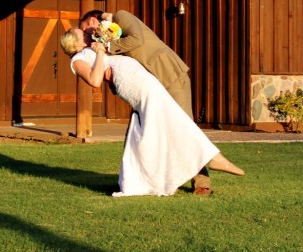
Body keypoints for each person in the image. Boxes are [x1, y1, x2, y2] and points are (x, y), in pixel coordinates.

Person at [60, 28, 244, 197]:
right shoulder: (77, 60)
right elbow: (95, 79)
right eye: (80, 33)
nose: (85, 33)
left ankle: (202, 160)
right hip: (136, 86)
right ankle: (211, 158)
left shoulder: (92, 47)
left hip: (143, 80)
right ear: (73, 43)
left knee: (163, 126)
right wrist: (100, 52)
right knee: (176, 121)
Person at [79, 9, 212, 193]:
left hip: (169, 76)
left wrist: (107, 47)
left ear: (94, 20)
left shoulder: (121, 17)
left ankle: (202, 183)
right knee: (135, 136)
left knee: (185, 127)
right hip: (146, 91)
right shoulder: (105, 43)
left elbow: (136, 39)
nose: (88, 37)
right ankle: (129, 182)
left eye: (86, 31)